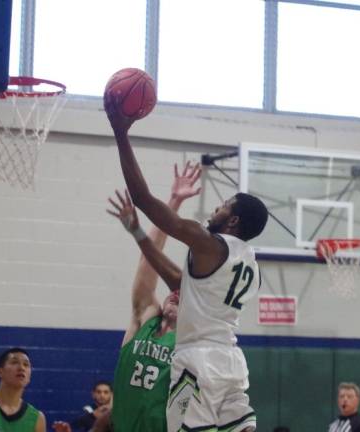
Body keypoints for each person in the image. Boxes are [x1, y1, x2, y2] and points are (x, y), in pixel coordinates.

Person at [106, 94, 269, 432]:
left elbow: (143, 200)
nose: (215, 209)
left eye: (223, 205)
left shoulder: (210, 244)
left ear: (234, 220)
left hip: (198, 361)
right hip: (232, 362)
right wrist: (138, 234)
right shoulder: (251, 265)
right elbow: (176, 279)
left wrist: (121, 133)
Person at [107, 162, 202, 432]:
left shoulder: (191, 339)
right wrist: (173, 202)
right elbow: (147, 264)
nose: (175, 292)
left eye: (183, 293)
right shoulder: (144, 318)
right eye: (174, 288)